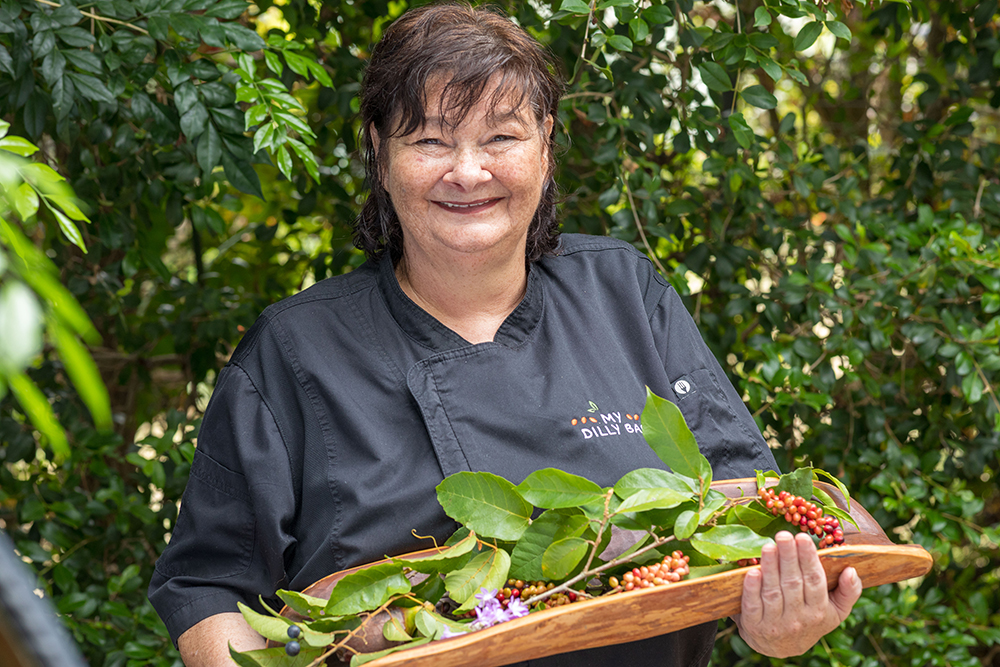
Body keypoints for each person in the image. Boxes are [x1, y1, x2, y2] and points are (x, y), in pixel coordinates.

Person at [148, 4, 862, 665]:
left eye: (502, 136)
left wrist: (776, 624)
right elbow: (208, 585)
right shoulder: (295, 350)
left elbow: (745, 506)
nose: (467, 171)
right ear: (380, 153)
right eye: (429, 140)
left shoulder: (623, 292)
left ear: (546, 144)